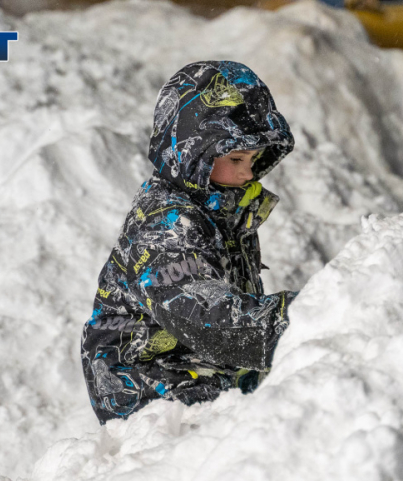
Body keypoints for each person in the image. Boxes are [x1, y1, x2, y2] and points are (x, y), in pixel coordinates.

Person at [80, 61, 298, 424]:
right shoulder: (167, 226)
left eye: (254, 158)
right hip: (150, 382)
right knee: (248, 427)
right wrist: (307, 316)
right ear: (194, 154)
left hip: (199, 360)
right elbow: (209, 320)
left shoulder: (219, 204)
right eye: (236, 158)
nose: (247, 172)